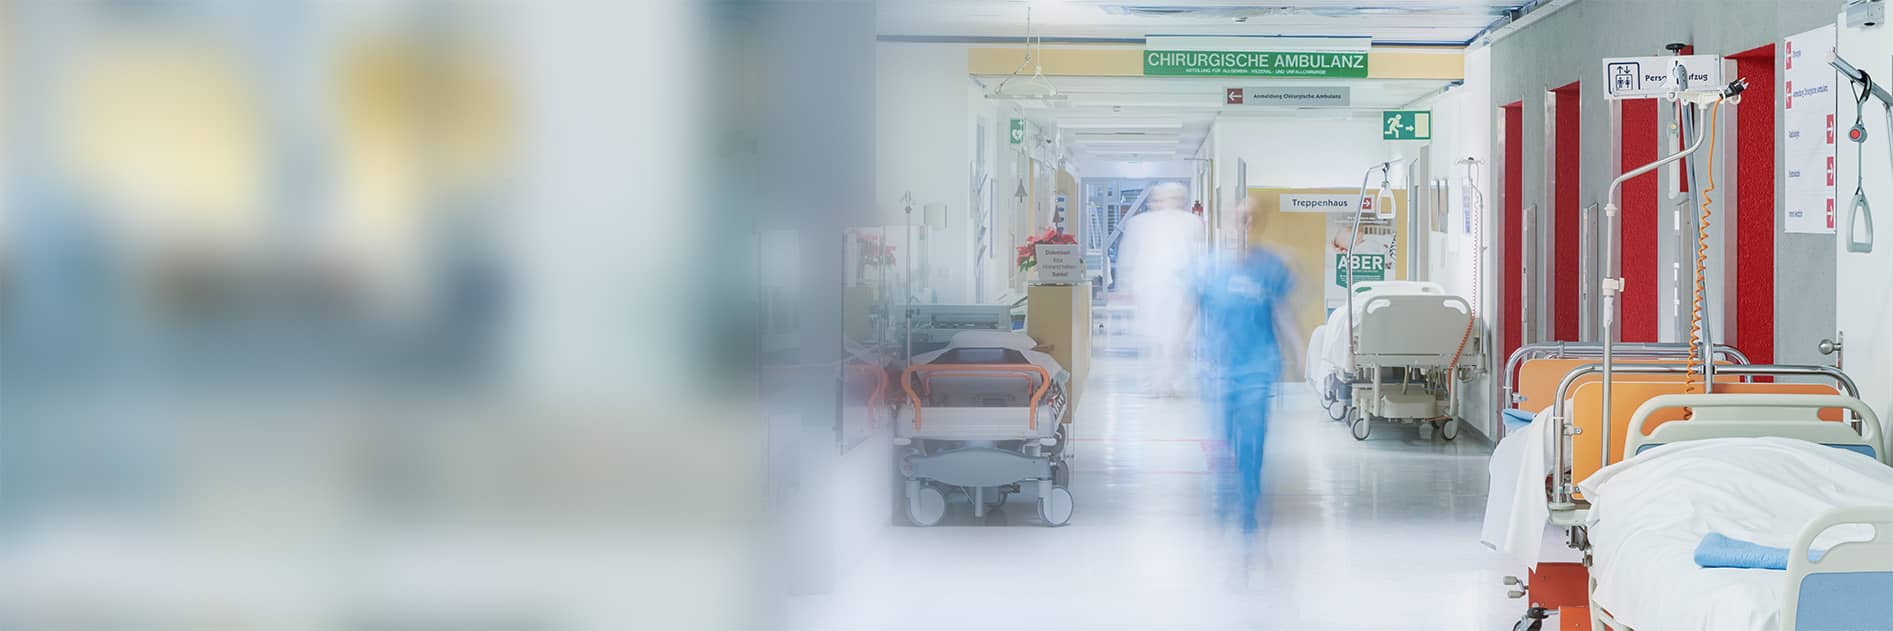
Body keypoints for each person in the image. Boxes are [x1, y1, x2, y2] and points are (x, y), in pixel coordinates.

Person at [1195, 197, 1302, 531]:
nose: (1244, 226)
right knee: (1224, 440)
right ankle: (1229, 490)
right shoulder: (1209, 268)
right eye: (1239, 219)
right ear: (1226, 222)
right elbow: (1189, 312)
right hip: (1219, 368)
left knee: (1253, 439)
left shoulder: (1270, 267)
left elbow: (1284, 313)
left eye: (1251, 220)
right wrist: (1168, 361)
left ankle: (1249, 502)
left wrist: (1300, 350)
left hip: (1258, 367)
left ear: (1258, 225)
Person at [1117, 182, 1205, 396]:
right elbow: (1128, 257)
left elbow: (1199, 257)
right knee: (1154, 340)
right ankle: (1156, 382)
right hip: (1151, 290)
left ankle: (1174, 382)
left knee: (1178, 339)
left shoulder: (1192, 222)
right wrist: (1126, 286)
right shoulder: (1138, 223)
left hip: (1180, 290)